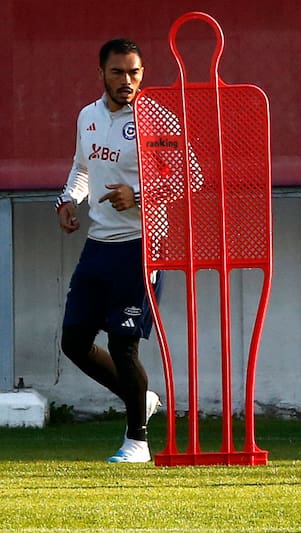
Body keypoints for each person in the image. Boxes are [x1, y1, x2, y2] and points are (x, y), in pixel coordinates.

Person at [56, 38, 161, 463]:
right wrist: (68, 200)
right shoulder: (88, 116)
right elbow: (83, 167)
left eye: (134, 72)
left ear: (142, 74)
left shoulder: (156, 119)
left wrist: (137, 195)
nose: (126, 80)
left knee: (123, 345)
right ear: (101, 73)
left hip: (141, 248)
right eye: (117, 72)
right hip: (99, 245)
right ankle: (141, 398)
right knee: (74, 341)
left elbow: (189, 177)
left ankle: (138, 442)